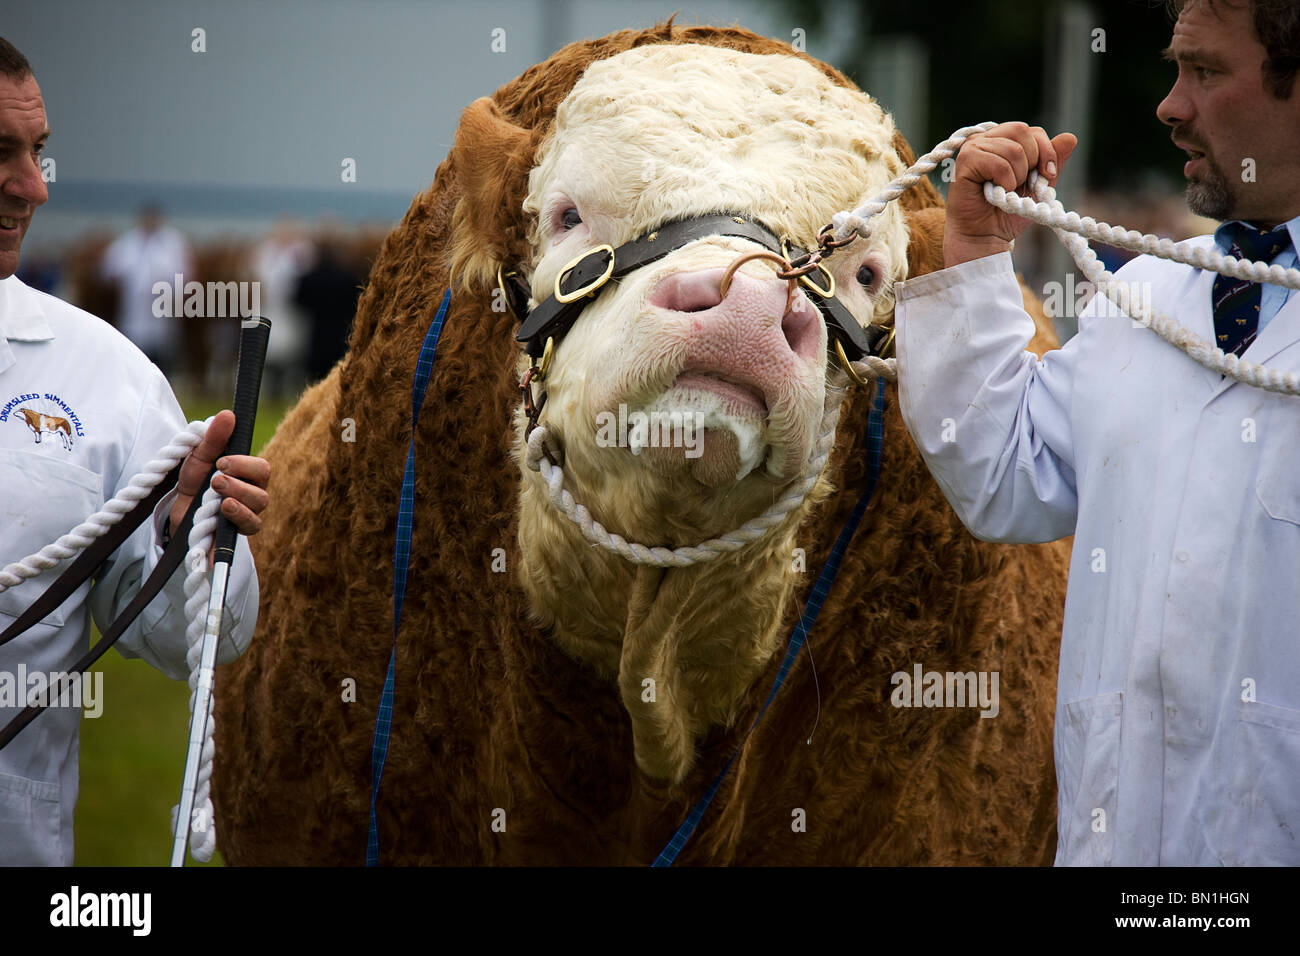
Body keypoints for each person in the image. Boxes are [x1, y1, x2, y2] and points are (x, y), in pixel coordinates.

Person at [894, 0, 1300, 866]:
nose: (1169, 104)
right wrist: (972, 246)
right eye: (1174, 67)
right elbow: (1004, 473)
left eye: (1205, 70)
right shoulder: (1147, 298)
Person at [0, 37, 269, 865]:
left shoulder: (104, 377)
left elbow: (207, 641)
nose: (35, 186)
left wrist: (186, 536)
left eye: (37, 152)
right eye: (0, 152)